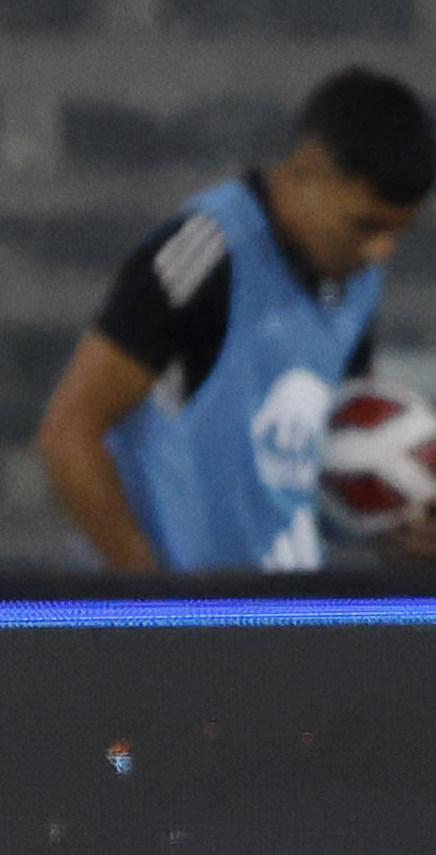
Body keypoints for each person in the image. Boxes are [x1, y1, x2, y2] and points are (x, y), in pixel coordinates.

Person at [38, 67, 435, 571]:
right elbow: (69, 433)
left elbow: (328, 453)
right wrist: (152, 602)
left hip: (281, 613)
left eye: (398, 232)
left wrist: (394, 529)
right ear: (310, 170)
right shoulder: (206, 256)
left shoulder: (358, 282)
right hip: (194, 618)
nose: (380, 250)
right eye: (365, 224)